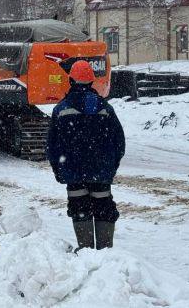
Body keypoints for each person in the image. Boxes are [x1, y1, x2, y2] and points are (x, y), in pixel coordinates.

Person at [46, 60, 125, 251]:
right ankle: (105, 253)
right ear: (91, 81)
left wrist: (59, 170)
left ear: (71, 80)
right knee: (104, 207)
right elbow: (119, 143)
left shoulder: (61, 109)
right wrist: (110, 169)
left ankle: (86, 251)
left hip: (73, 172)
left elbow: (52, 146)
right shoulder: (105, 108)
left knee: (79, 208)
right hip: (101, 172)